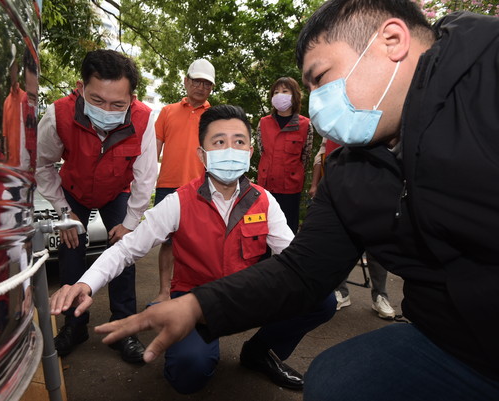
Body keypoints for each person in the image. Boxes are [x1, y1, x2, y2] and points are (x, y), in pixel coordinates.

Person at [94, 2, 499, 400]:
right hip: (451, 339)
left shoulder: (487, 77)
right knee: (327, 381)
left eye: (320, 78)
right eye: (309, 89)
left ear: (392, 40)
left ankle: (258, 351)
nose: (319, 102)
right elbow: (302, 270)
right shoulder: (348, 172)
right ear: (204, 154)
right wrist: (196, 305)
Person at [50, 105, 336, 393]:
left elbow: (291, 256)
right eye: (219, 142)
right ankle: (188, 346)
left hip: (248, 297)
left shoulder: (265, 200)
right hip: (195, 304)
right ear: (202, 154)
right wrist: (86, 283)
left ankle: (260, 351)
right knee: (189, 373)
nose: (230, 149)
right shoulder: (178, 201)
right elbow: (127, 250)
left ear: (250, 152)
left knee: (320, 298)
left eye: (238, 141)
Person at [36, 49, 158, 362]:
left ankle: (124, 329)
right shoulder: (58, 115)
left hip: (116, 192)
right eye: (97, 100)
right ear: (80, 88)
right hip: (73, 191)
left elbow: (145, 178)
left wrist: (130, 223)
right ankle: (74, 327)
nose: (107, 110)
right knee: (71, 254)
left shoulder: (144, 120)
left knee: (123, 253)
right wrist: (65, 212)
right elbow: (42, 165)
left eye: (117, 104)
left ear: (132, 97)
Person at [151, 58, 215, 304]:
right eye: (197, 81)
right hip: (168, 184)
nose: (201, 87)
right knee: (167, 242)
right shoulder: (167, 111)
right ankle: (164, 291)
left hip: (202, 186)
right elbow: (154, 150)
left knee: (200, 243)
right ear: (186, 81)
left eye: (207, 84)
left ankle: (195, 293)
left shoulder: (214, 116)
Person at [310, 138, 395, 319]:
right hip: (340, 185)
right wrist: (315, 184)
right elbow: (321, 155)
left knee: (376, 242)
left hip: (376, 185)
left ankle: (380, 295)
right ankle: (341, 292)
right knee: (338, 244)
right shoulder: (335, 123)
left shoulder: (381, 119)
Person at [257, 77, 312, 234]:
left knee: (288, 230)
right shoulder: (263, 123)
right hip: (266, 187)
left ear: (294, 96)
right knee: (264, 229)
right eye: (276, 92)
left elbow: (305, 156)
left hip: (291, 188)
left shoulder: (305, 124)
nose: (280, 95)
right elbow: (263, 151)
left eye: (285, 91)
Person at [3, 47, 38, 174]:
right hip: (12, 168)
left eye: (14, 67)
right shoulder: (7, 102)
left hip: (27, 169)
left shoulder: (25, 99)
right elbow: (5, 136)